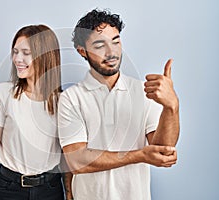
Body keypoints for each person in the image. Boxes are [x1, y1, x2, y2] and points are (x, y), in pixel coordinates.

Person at [58, 9, 180, 200]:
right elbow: (77, 161)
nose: (111, 52)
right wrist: (140, 155)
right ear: (83, 51)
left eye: (116, 41)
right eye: (100, 45)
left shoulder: (143, 92)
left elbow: (163, 149)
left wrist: (171, 107)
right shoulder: (71, 99)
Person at [0, 24, 67, 200]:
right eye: (15, 52)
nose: (17, 58)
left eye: (26, 53)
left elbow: (69, 156)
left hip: (50, 189)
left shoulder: (63, 102)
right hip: (9, 189)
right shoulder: (3, 93)